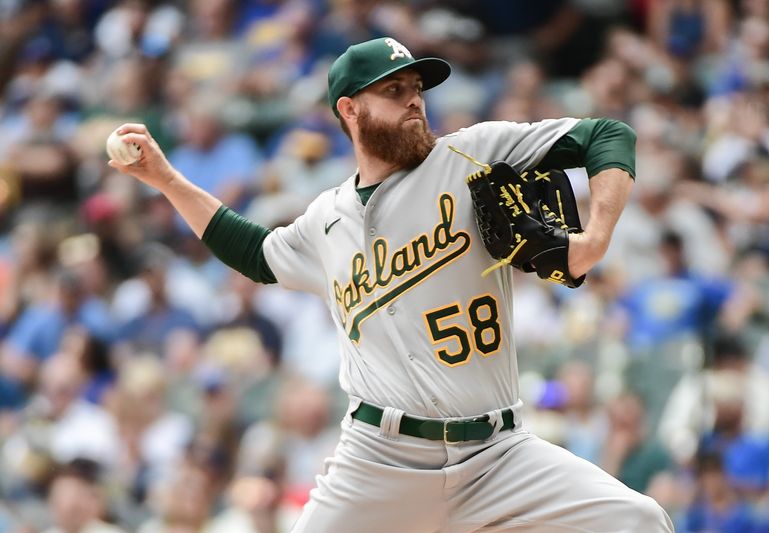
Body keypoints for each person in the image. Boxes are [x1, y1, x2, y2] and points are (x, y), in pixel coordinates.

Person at [110, 37, 674, 532]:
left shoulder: (470, 154)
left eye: (417, 88)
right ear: (350, 109)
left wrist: (594, 238)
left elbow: (607, 135)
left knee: (638, 521)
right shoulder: (325, 220)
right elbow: (255, 253)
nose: (413, 100)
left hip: (499, 454)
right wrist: (164, 178)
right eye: (395, 89)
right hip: (379, 460)